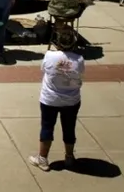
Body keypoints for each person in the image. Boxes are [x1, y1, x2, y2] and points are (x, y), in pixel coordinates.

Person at [28, 28, 85, 172]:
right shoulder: (79, 59)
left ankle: (42, 159)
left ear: (57, 42)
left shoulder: (49, 56)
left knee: (47, 127)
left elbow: (44, 70)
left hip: (50, 99)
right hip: (71, 100)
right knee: (69, 128)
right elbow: (80, 75)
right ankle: (69, 158)